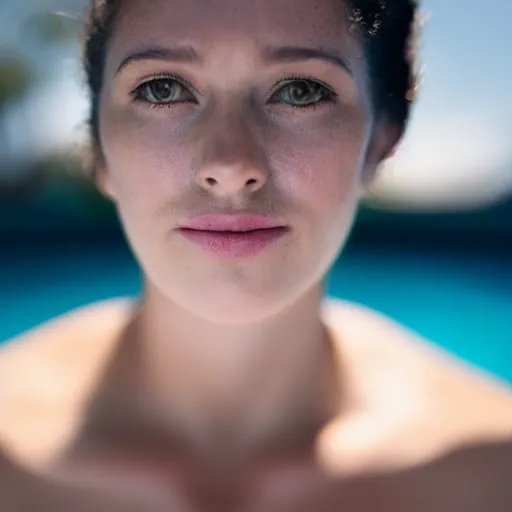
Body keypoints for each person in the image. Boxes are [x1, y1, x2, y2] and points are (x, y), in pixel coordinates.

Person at [0, 0, 511, 509]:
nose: (229, 164)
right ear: (100, 150)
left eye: (300, 91)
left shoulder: (492, 470)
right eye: (163, 88)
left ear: (380, 143)